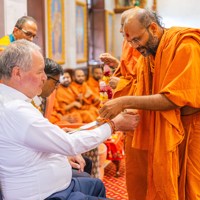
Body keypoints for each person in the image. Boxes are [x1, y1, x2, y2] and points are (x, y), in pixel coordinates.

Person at [0, 39, 140, 200]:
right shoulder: (15, 110)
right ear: (17, 73)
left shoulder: (13, 100)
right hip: (46, 195)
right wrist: (114, 125)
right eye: (40, 72)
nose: (45, 78)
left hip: (56, 183)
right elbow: (70, 145)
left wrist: (61, 150)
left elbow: (36, 140)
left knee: (97, 185)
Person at [99, 8, 200, 200]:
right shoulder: (149, 55)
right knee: (165, 182)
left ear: (153, 28)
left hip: (192, 129)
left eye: (137, 40)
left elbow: (172, 98)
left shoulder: (185, 46)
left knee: (190, 188)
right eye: (129, 42)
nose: (134, 47)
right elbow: (141, 88)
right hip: (166, 128)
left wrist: (123, 101)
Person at [99, 8, 144, 200]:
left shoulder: (147, 45)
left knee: (144, 173)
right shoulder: (130, 43)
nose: (121, 32)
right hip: (131, 111)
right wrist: (117, 65)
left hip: (144, 114)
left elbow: (150, 83)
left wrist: (122, 84)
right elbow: (133, 73)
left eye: (124, 28)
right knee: (135, 174)